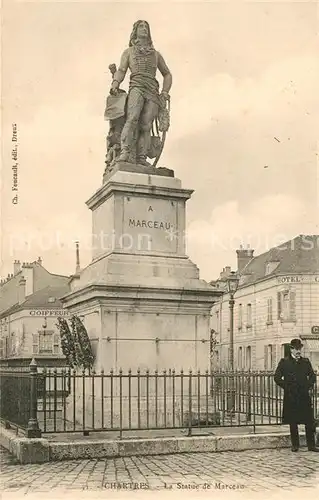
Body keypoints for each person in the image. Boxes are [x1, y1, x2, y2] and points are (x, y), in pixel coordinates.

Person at [109, 20, 172, 165]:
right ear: (135, 31)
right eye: (141, 27)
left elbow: (167, 74)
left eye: (146, 27)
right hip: (136, 87)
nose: (144, 29)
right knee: (132, 119)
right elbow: (121, 70)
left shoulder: (156, 55)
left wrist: (164, 92)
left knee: (146, 125)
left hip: (152, 90)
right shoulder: (129, 52)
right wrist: (115, 83)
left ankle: (142, 158)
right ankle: (125, 152)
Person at [274, 338, 319, 452]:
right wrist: (287, 387)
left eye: (300, 349)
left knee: (308, 420)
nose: (299, 351)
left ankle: (311, 445)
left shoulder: (305, 362)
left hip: (304, 395)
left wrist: (308, 386)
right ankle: (295, 445)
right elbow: (277, 378)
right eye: (296, 349)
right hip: (291, 395)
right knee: (293, 421)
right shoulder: (284, 362)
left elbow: (313, 376)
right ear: (291, 349)